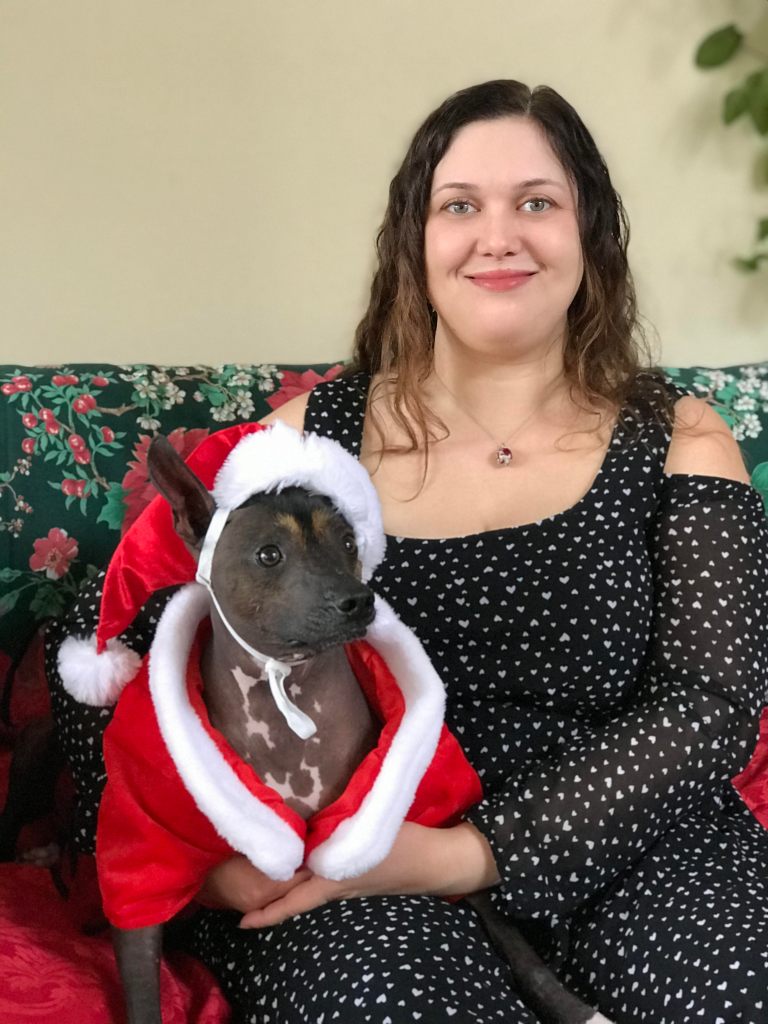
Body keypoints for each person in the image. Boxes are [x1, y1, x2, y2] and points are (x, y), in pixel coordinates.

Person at [47, 80, 768, 1023]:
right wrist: (215, 861)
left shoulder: (678, 436)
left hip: (632, 837)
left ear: (590, 235)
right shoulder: (307, 445)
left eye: (538, 203)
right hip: (359, 859)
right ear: (413, 244)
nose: (498, 235)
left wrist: (470, 854)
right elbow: (115, 630)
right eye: (460, 205)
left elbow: (713, 704)